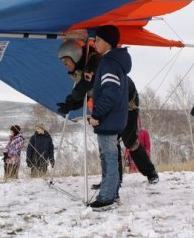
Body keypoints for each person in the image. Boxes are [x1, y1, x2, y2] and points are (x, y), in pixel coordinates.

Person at [57, 40, 159, 185]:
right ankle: (112, 181)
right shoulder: (81, 71)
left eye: (65, 60)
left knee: (129, 140)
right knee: (109, 141)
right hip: (108, 104)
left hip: (127, 101)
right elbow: (85, 94)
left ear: (75, 55)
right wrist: (70, 106)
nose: (64, 64)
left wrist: (69, 101)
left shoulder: (95, 62)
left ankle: (151, 173)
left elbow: (84, 86)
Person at [88, 25, 131, 211]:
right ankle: (111, 193)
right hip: (114, 117)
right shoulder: (112, 62)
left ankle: (107, 197)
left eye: (97, 40)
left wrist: (96, 114)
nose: (95, 43)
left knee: (109, 157)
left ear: (107, 41)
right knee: (109, 156)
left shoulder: (109, 63)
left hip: (108, 117)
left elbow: (111, 93)